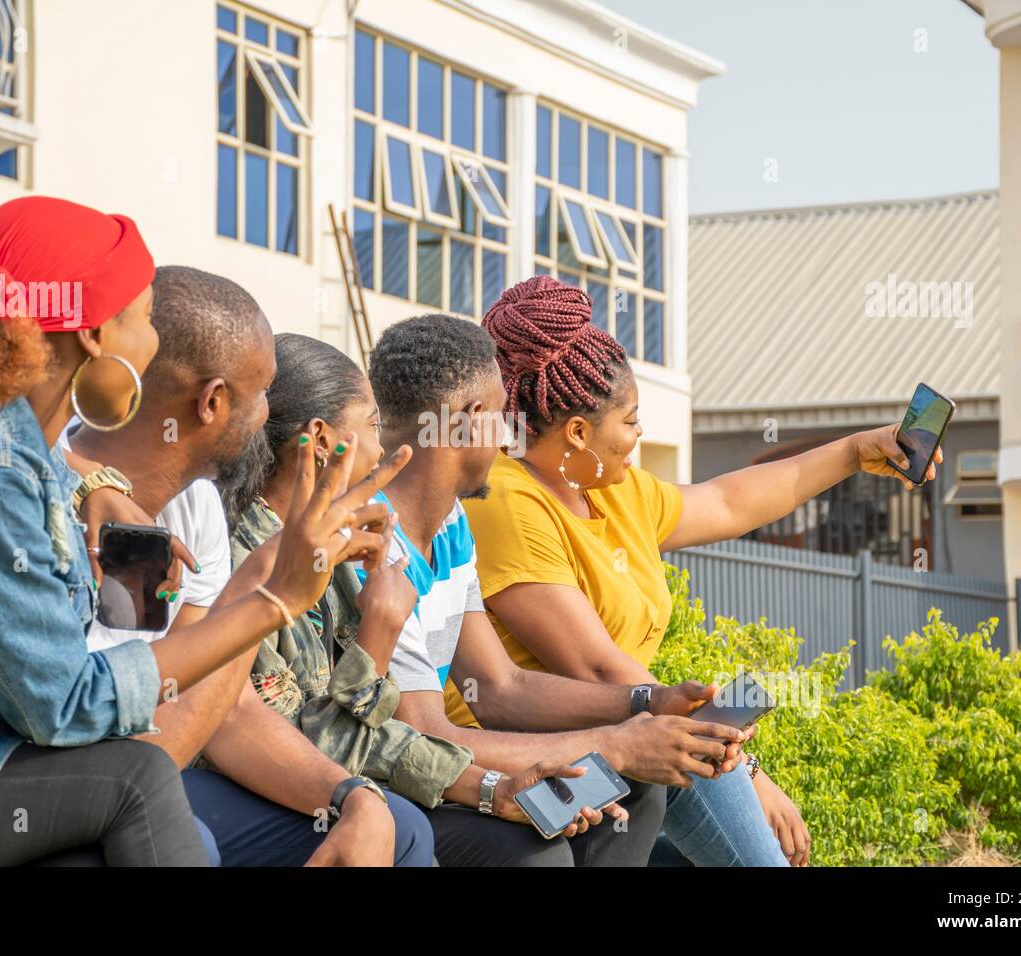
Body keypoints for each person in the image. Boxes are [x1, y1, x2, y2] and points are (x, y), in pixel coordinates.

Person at [0, 197, 370, 867]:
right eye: (143, 317)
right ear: (93, 337)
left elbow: (17, 461)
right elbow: (67, 705)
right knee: (135, 782)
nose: (156, 339)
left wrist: (89, 485)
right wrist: (273, 599)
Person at [459, 275, 944, 866]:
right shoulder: (506, 501)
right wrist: (748, 770)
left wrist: (853, 452)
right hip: (526, 767)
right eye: (632, 422)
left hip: (621, 749)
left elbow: (730, 502)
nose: (639, 437)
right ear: (580, 433)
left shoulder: (609, 489)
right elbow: (595, 668)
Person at [347, 313, 763, 867]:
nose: (509, 438)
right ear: (471, 422)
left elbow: (499, 687)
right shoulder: (376, 549)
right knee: (538, 852)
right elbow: (424, 735)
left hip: (450, 766)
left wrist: (647, 702)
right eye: (502, 419)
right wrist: (614, 743)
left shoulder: (450, 525)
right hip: (393, 790)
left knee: (633, 791)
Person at [66, 267, 432, 866]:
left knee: (391, 823)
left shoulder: (198, 507)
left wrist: (351, 796)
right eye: (263, 390)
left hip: (140, 760)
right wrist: (268, 596)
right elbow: (119, 734)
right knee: (183, 841)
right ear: (211, 401)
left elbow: (215, 705)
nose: (272, 412)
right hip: (49, 772)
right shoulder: (49, 491)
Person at [219, 333, 627, 857]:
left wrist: (492, 790)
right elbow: (307, 740)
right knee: (458, 836)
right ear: (321, 440)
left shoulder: (342, 547)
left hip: (345, 779)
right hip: (261, 789)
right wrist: (377, 636)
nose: (385, 445)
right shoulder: (245, 552)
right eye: (371, 426)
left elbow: (360, 734)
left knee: (602, 808)